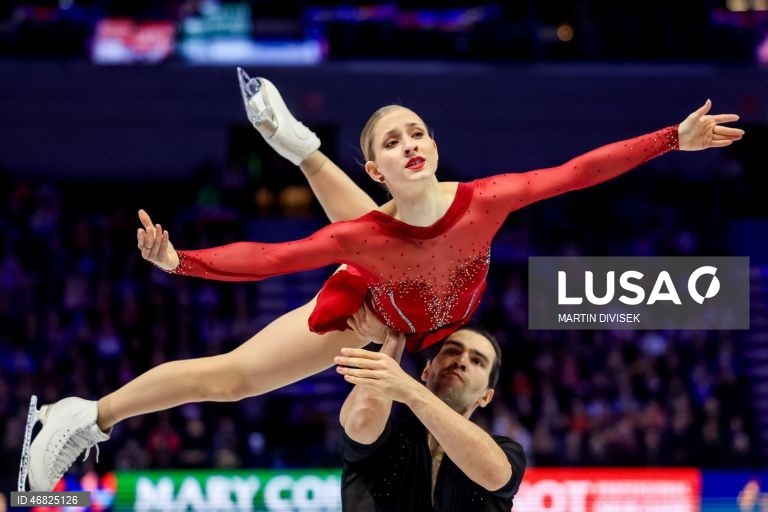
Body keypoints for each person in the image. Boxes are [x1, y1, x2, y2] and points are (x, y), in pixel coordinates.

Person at [21, 70, 743, 491]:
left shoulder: (485, 199)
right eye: (391, 142)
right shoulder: (360, 236)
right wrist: (181, 263)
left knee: (383, 243)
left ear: (434, 145)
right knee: (236, 377)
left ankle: (301, 146)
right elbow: (273, 260)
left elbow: (576, 172)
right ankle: (82, 416)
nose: (411, 144)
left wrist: (670, 139)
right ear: (376, 166)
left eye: (417, 132)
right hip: (371, 309)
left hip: (425, 312)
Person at [338, 305, 525, 511]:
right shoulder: (387, 437)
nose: (461, 361)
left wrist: (412, 391)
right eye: (452, 351)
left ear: (486, 396)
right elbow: (360, 423)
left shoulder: (505, 450)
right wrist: (395, 337)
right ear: (427, 370)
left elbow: (494, 474)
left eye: (477, 361)